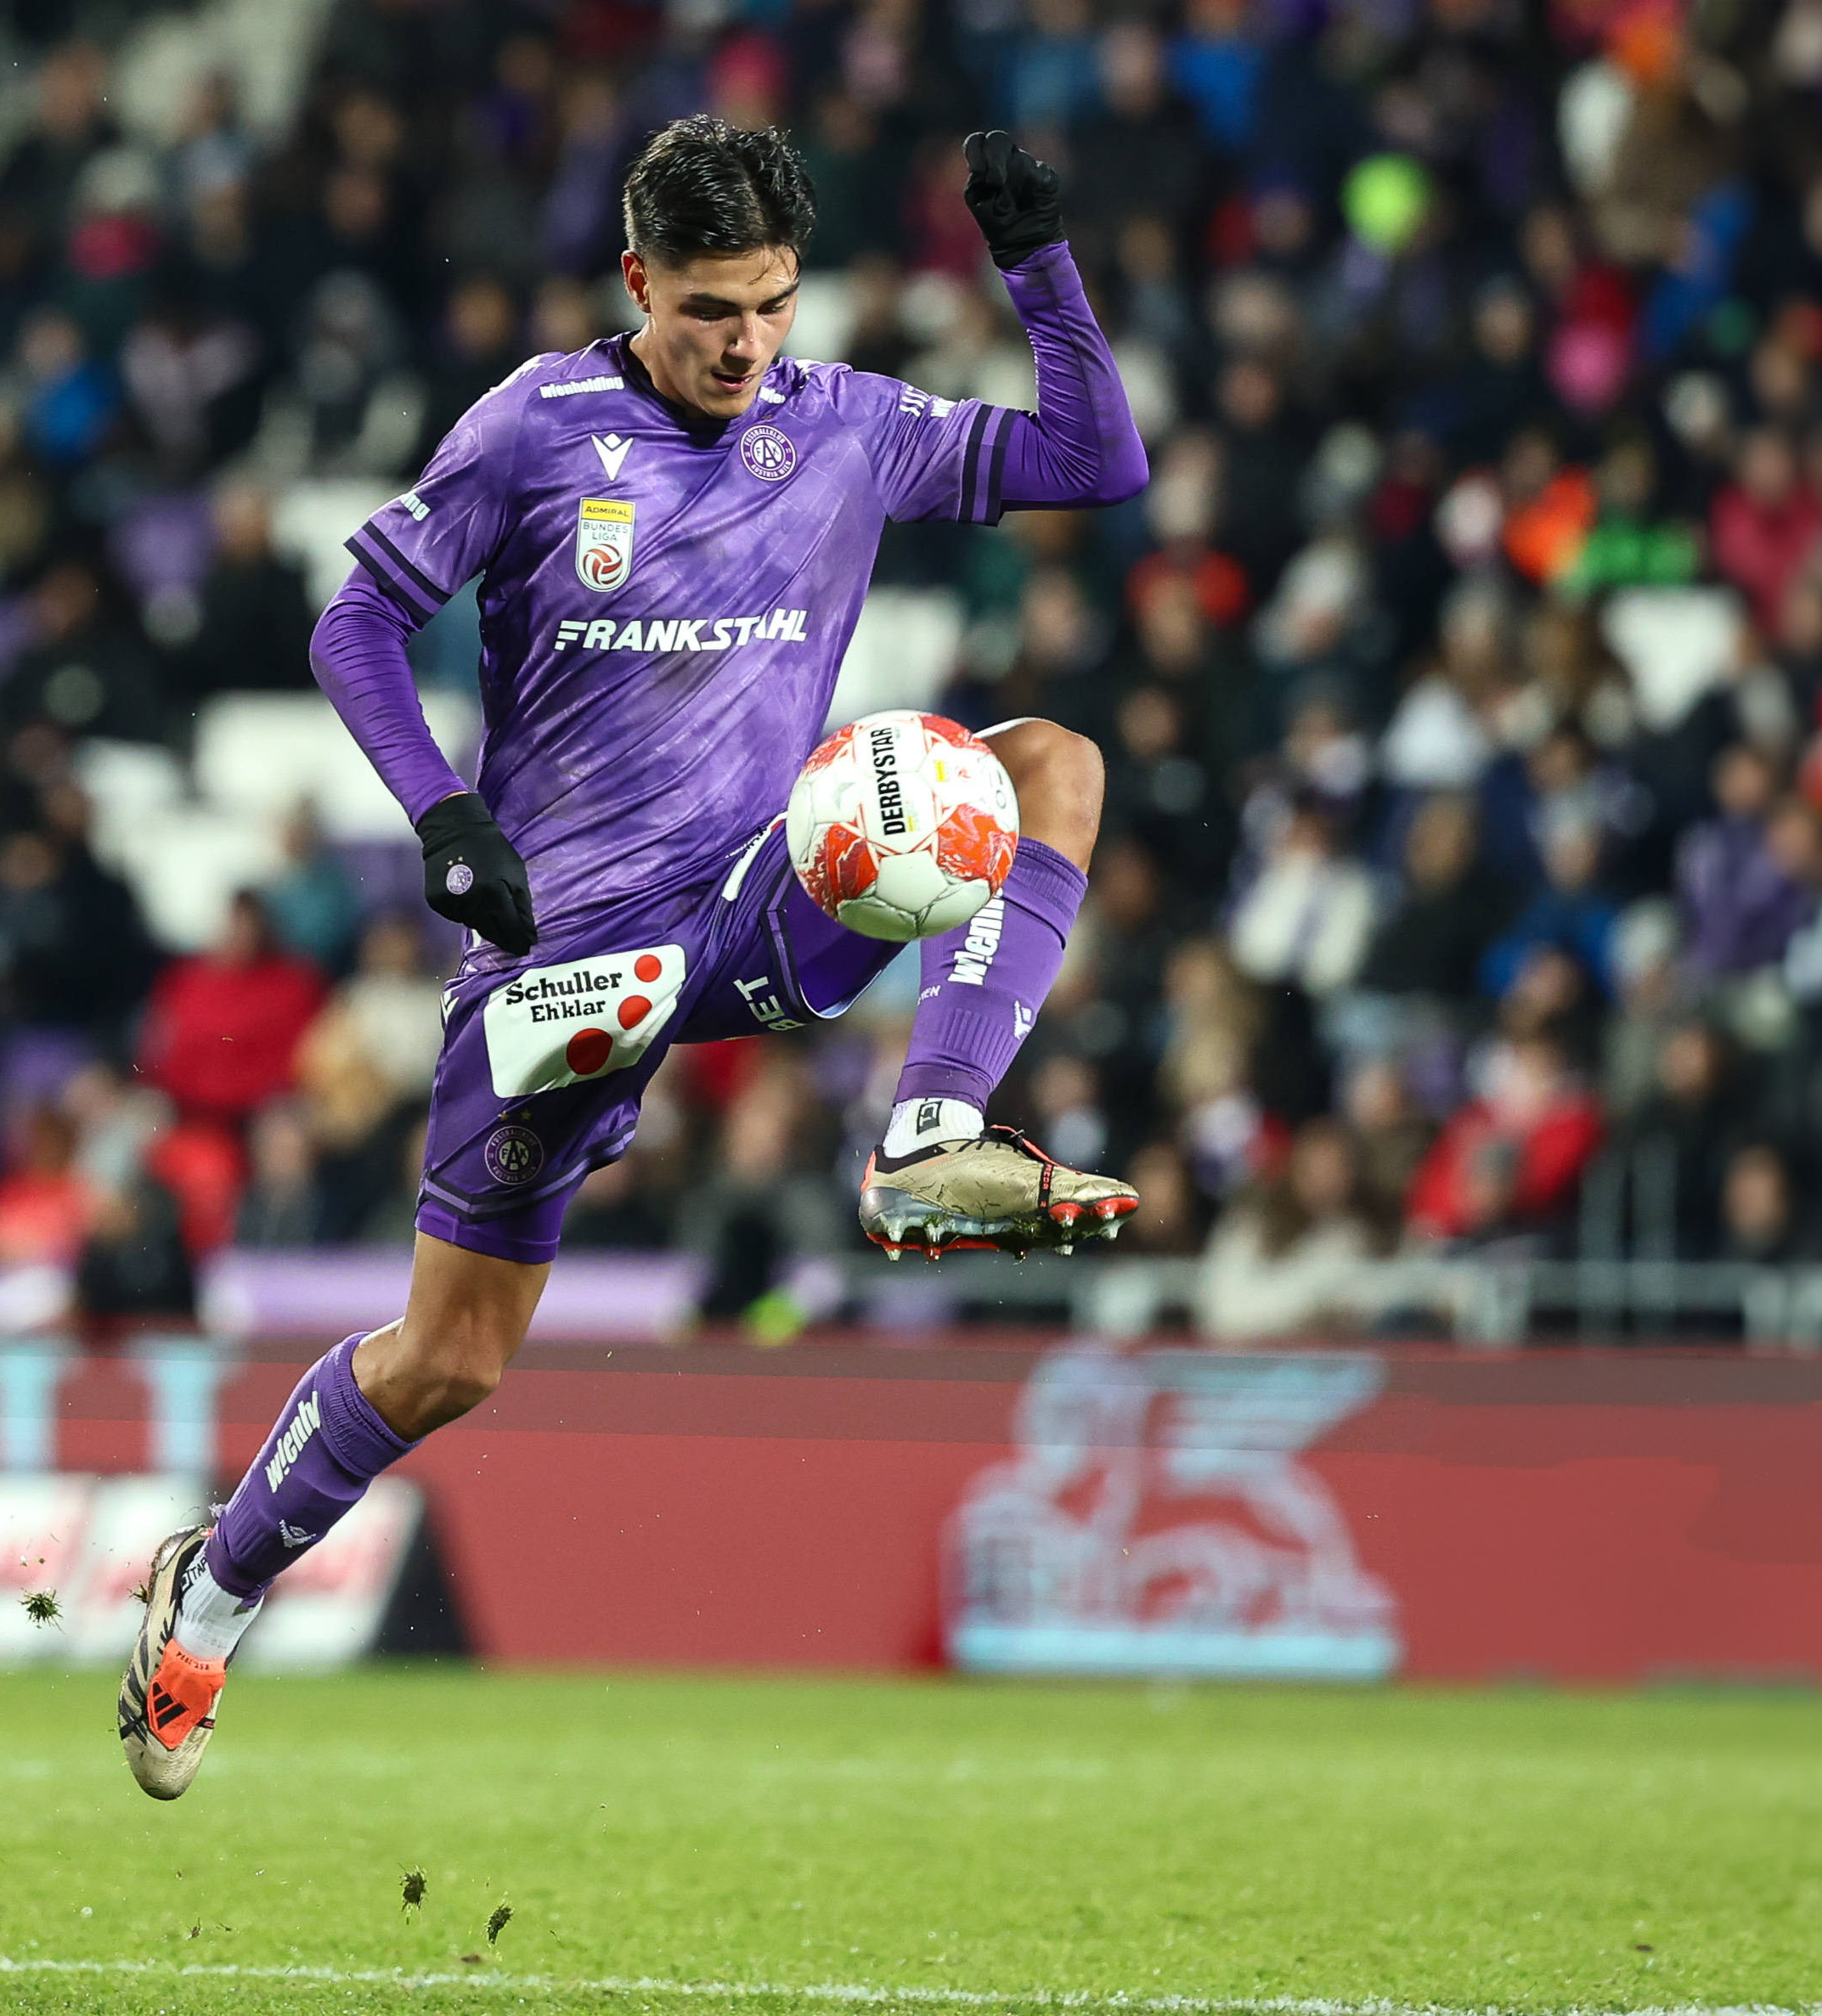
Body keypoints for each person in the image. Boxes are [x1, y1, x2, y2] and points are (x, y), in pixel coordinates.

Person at [116, 121, 1147, 1797]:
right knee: (450, 1354)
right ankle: (209, 1586)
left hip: (756, 893)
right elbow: (353, 622)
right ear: (635, 282)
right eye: (710, 310)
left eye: (774, 303)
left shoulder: (847, 424)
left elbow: (1098, 464)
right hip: (556, 963)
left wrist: (1038, 267)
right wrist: (443, 816)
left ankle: (929, 1130)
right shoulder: (533, 428)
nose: (747, 345)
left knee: (1046, 768)